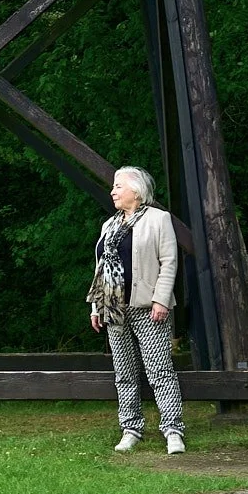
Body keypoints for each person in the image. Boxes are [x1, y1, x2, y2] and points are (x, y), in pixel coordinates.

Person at [87, 166, 185, 454]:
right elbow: (100, 269)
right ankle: (131, 429)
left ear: (136, 191)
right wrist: (96, 307)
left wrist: (161, 299)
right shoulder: (110, 225)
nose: (113, 191)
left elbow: (170, 262)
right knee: (125, 372)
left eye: (118, 186)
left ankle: (173, 430)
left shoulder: (158, 219)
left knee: (160, 371)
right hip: (114, 309)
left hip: (148, 308)